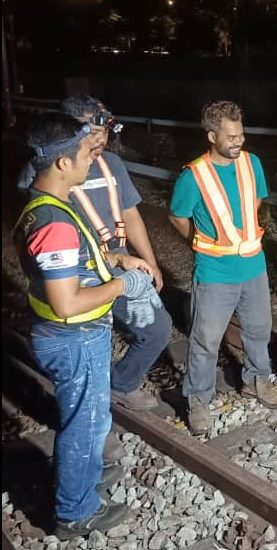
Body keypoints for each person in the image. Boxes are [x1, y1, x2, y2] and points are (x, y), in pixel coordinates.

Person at [14, 112, 161, 537]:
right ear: (63, 162)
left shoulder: (44, 205)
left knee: (90, 417)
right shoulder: (55, 222)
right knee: (86, 422)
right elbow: (66, 302)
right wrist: (121, 285)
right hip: (73, 336)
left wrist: (115, 259)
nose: (93, 158)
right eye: (85, 153)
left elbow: (73, 261)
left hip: (70, 335)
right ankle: (75, 511)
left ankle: (85, 475)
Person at [18, 95, 171, 412]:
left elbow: (130, 214)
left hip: (118, 261)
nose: (101, 140)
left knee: (157, 329)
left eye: (105, 132)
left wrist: (150, 262)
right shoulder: (43, 170)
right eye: (94, 132)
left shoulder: (112, 165)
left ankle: (121, 384)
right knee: (84, 346)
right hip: (76, 272)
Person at [169, 100, 277, 435]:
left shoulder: (252, 163)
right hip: (214, 271)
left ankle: (257, 379)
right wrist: (202, 241)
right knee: (205, 339)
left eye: (241, 135)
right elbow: (177, 217)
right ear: (211, 136)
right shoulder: (193, 176)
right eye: (231, 137)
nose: (238, 142)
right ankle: (198, 399)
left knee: (259, 330)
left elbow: (256, 200)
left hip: (253, 266)